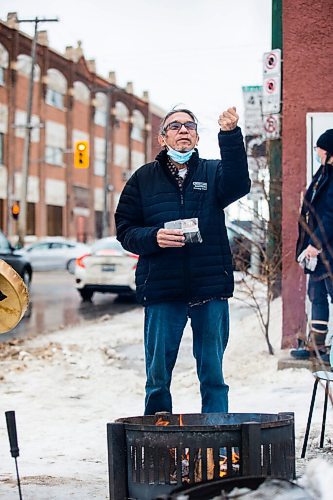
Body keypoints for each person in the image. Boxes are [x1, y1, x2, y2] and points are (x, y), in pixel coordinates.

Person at [115, 107, 250, 415]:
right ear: (163, 138)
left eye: (189, 125)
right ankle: (158, 441)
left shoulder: (213, 172)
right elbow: (125, 229)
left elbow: (240, 184)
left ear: (198, 136)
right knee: (158, 377)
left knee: (213, 375)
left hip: (210, 288)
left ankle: (216, 439)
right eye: (174, 126)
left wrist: (230, 135)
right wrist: (154, 237)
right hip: (163, 289)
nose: (183, 130)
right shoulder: (143, 179)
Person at [291, 129, 333, 363]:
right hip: (316, 250)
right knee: (316, 292)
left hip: (327, 249)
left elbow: (330, 216)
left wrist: (315, 244)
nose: (317, 152)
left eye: (320, 148)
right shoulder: (323, 173)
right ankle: (318, 344)